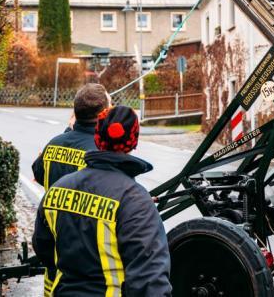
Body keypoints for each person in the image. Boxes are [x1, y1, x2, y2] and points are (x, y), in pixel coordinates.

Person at [32, 105, 171, 296]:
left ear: (97, 138)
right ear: (133, 142)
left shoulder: (58, 188)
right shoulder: (135, 200)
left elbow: (42, 246)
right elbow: (150, 279)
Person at [32, 83, 112, 190]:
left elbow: (38, 173)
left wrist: (69, 130)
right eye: (110, 106)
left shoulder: (53, 144)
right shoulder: (103, 152)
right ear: (104, 113)